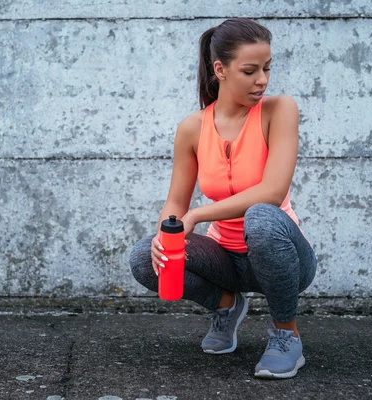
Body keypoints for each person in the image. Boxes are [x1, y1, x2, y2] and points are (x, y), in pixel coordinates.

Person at [129, 18, 317, 379]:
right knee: (144, 257)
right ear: (221, 69)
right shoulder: (192, 128)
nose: (262, 79)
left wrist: (198, 215)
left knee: (261, 216)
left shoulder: (279, 111)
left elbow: (272, 191)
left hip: (282, 255)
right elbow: (175, 204)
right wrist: (164, 236)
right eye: (250, 71)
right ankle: (227, 306)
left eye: (266, 68)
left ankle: (286, 336)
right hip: (225, 260)